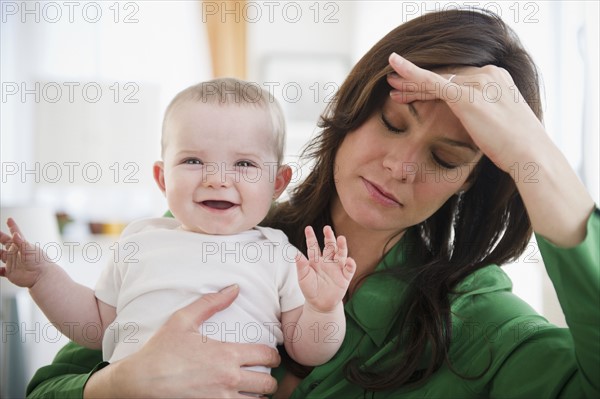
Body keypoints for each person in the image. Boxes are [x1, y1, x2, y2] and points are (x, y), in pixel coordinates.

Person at [7, 7, 599, 398]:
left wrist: (535, 155)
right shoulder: (204, 231)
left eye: (445, 159)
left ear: (471, 180)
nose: (400, 166)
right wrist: (116, 387)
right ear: (351, 110)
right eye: (393, 123)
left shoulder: (482, 328)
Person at [0, 78, 357, 373]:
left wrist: (324, 308)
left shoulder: (278, 252)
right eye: (193, 160)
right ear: (162, 177)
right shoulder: (140, 240)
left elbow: (309, 351)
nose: (217, 179)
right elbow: (95, 327)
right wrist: (43, 279)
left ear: (277, 183)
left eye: (245, 164)